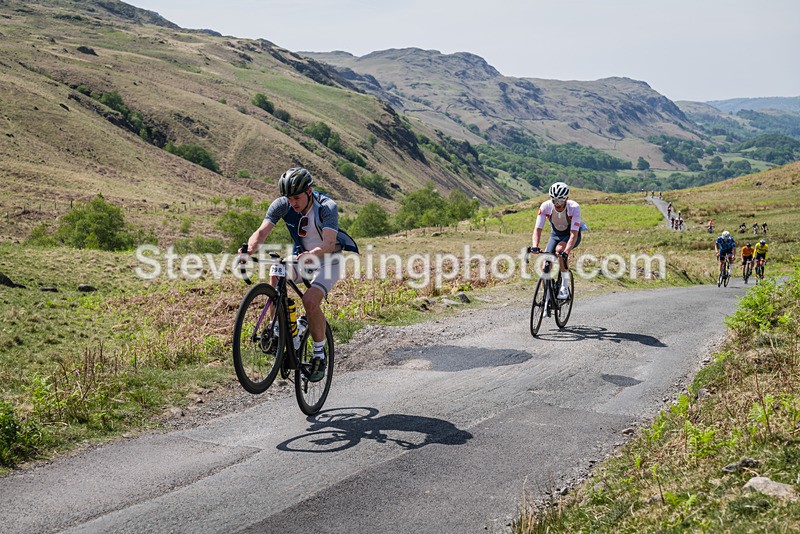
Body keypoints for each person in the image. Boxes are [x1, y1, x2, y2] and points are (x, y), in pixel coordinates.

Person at [242, 167, 358, 381]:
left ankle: (319, 353)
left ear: (309, 191)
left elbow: (329, 242)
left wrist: (312, 254)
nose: (292, 203)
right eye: (289, 198)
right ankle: (278, 331)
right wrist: (248, 250)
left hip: (328, 260)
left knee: (310, 302)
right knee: (276, 271)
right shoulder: (282, 205)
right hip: (300, 257)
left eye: (297, 197)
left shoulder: (326, 207)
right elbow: (261, 233)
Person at [530, 182, 584, 299]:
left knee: (560, 250)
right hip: (555, 235)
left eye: (560, 200)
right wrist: (535, 245)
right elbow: (537, 229)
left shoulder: (574, 208)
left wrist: (566, 252)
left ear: (566, 199)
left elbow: (574, 234)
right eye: (554, 200)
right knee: (545, 265)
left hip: (570, 236)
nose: (557, 204)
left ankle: (564, 287)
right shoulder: (546, 206)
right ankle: (548, 296)